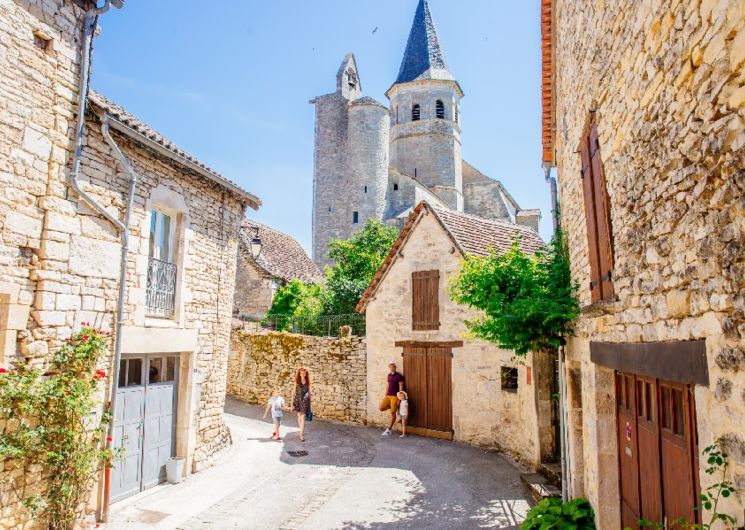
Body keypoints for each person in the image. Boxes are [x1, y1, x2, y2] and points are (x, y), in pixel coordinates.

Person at [380, 360, 404, 436]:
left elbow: (401, 387)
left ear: (395, 367)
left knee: (393, 413)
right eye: (390, 366)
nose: (392, 368)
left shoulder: (399, 376)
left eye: (393, 366)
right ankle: (391, 406)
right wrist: (385, 394)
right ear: (389, 367)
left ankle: (389, 429)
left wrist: (399, 399)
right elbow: (388, 385)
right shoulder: (389, 375)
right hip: (388, 395)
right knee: (381, 407)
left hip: (395, 396)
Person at [291, 367, 312, 442]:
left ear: (306, 374)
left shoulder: (308, 381)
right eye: (301, 373)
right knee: (299, 417)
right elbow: (293, 392)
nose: (302, 374)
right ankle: (301, 430)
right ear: (299, 374)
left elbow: (309, 392)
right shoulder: (296, 381)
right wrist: (291, 404)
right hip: (297, 401)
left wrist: (310, 403)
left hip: (305, 401)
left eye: (304, 373)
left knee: (302, 417)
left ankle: (301, 434)